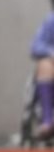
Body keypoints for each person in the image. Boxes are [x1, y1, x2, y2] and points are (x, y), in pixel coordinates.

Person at [29, 11, 54, 140]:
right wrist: (51, 53)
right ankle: (48, 120)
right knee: (44, 64)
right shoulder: (51, 21)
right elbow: (35, 46)